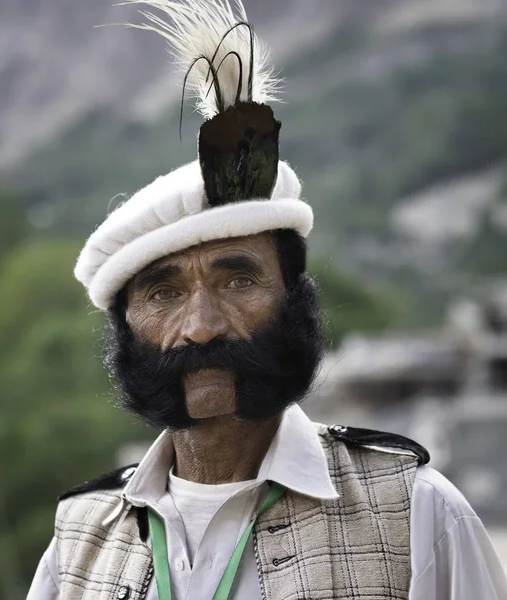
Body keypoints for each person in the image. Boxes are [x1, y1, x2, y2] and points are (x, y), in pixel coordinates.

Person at [27, 1, 507, 598]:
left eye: (238, 281)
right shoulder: (78, 543)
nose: (201, 327)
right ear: (125, 328)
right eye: (163, 293)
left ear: (294, 300)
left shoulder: (419, 514)